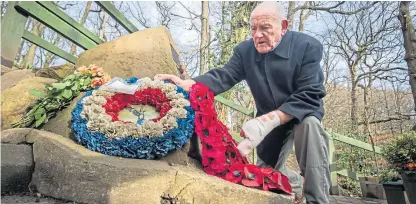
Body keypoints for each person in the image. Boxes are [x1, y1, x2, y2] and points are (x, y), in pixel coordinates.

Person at [154, 2, 330, 204]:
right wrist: (189, 84)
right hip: (269, 123)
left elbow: (311, 92)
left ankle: (317, 199)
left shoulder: (308, 47)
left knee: (310, 125)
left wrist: (267, 121)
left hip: (301, 113)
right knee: (266, 175)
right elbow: (224, 76)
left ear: (283, 26)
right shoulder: (245, 51)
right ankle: (297, 184)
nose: (257, 35)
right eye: (253, 29)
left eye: (265, 28)